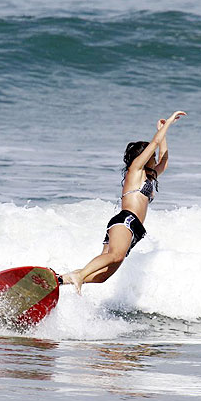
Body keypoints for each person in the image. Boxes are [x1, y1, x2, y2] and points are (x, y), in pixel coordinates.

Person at [62, 110, 186, 294]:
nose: (154, 159)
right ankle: (78, 276)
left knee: (103, 276)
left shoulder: (149, 177)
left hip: (134, 228)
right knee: (115, 255)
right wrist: (167, 123)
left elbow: (164, 160)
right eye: (151, 157)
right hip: (125, 220)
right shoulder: (135, 171)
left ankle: (61, 280)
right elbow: (154, 144)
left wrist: (164, 133)